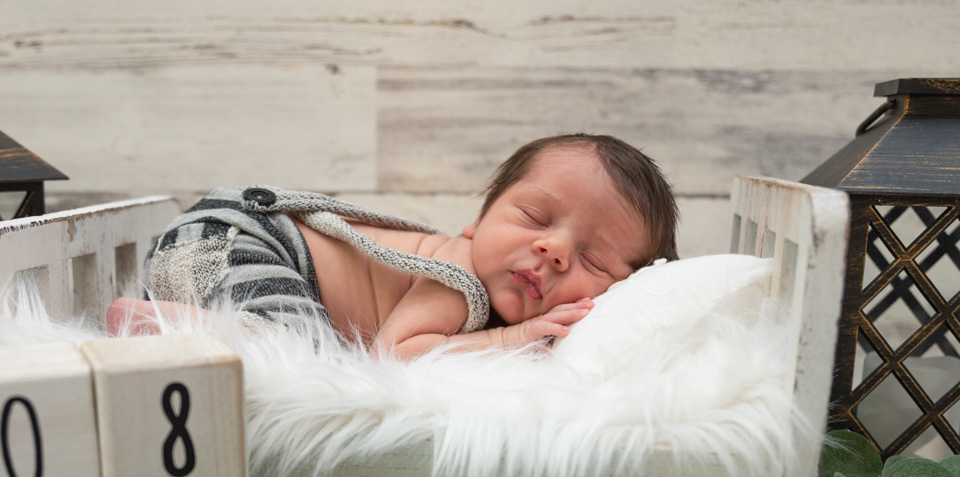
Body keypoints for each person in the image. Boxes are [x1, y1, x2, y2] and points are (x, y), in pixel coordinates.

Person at [106, 133, 679, 358]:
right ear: (477, 223)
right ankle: (157, 324)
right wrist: (513, 337)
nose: (554, 250)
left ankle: (178, 314)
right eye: (533, 217)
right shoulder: (462, 280)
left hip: (212, 247)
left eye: (593, 259)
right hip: (243, 244)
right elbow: (395, 354)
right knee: (301, 357)